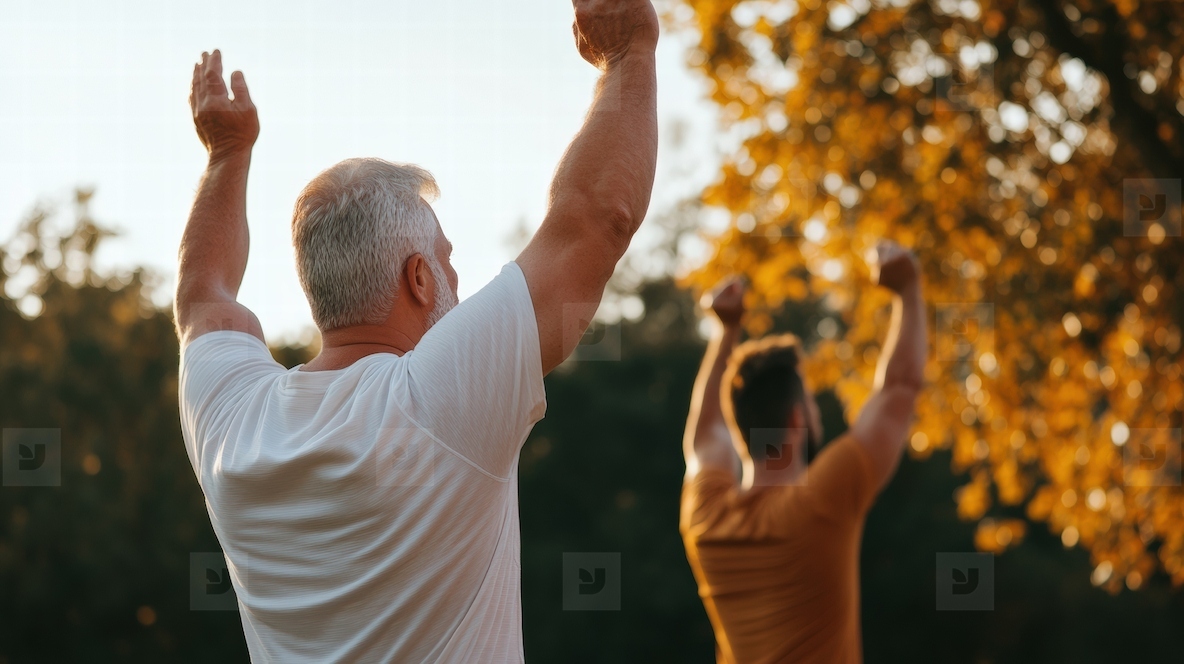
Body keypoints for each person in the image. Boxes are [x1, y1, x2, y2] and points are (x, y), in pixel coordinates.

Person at [172, 1, 659, 660]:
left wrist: (227, 155)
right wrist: (631, 49)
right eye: (448, 264)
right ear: (419, 281)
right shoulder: (436, 403)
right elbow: (598, 218)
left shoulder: (231, 424)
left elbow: (204, 293)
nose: (457, 286)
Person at [679, 242, 927, 664]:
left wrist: (725, 333)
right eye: (812, 403)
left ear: (741, 425)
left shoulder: (706, 520)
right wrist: (908, 287)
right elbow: (899, 389)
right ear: (797, 420)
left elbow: (704, 436)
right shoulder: (820, 504)